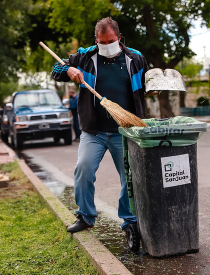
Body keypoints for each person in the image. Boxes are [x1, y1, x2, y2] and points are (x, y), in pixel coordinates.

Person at [51, 17, 149, 233]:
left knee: (129, 177)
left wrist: (154, 88)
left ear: (119, 38)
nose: (106, 46)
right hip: (93, 131)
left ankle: (129, 219)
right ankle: (86, 216)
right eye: (101, 42)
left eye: (111, 41)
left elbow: (147, 85)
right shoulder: (85, 57)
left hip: (125, 130)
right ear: (96, 40)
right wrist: (68, 70)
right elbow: (56, 70)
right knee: (83, 169)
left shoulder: (136, 58)